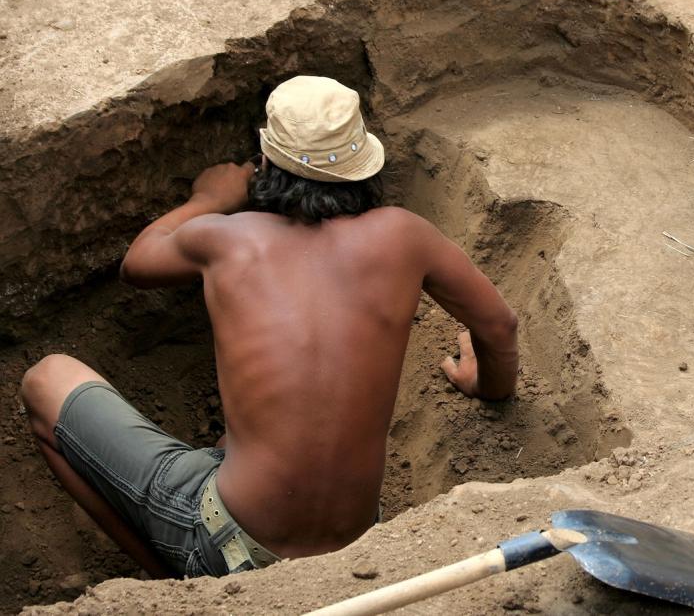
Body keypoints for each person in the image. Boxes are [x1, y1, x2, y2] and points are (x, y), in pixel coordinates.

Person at [18, 76, 519, 578]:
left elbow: (137, 263)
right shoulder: (406, 235)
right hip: (356, 544)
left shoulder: (225, 239)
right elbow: (499, 328)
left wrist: (207, 198)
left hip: (229, 542)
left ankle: (178, 582)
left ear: (266, 162)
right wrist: (488, 386)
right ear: (365, 163)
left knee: (46, 379)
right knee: (250, 436)